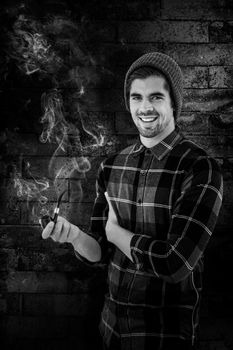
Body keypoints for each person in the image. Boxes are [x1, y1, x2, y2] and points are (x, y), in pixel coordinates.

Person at [42, 52, 223, 350]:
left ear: (173, 102)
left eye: (155, 97)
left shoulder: (199, 168)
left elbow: (175, 264)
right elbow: (100, 251)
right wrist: (73, 236)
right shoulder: (112, 166)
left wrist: (118, 234)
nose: (145, 107)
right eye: (136, 97)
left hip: (162, 339)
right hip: (109, 332)